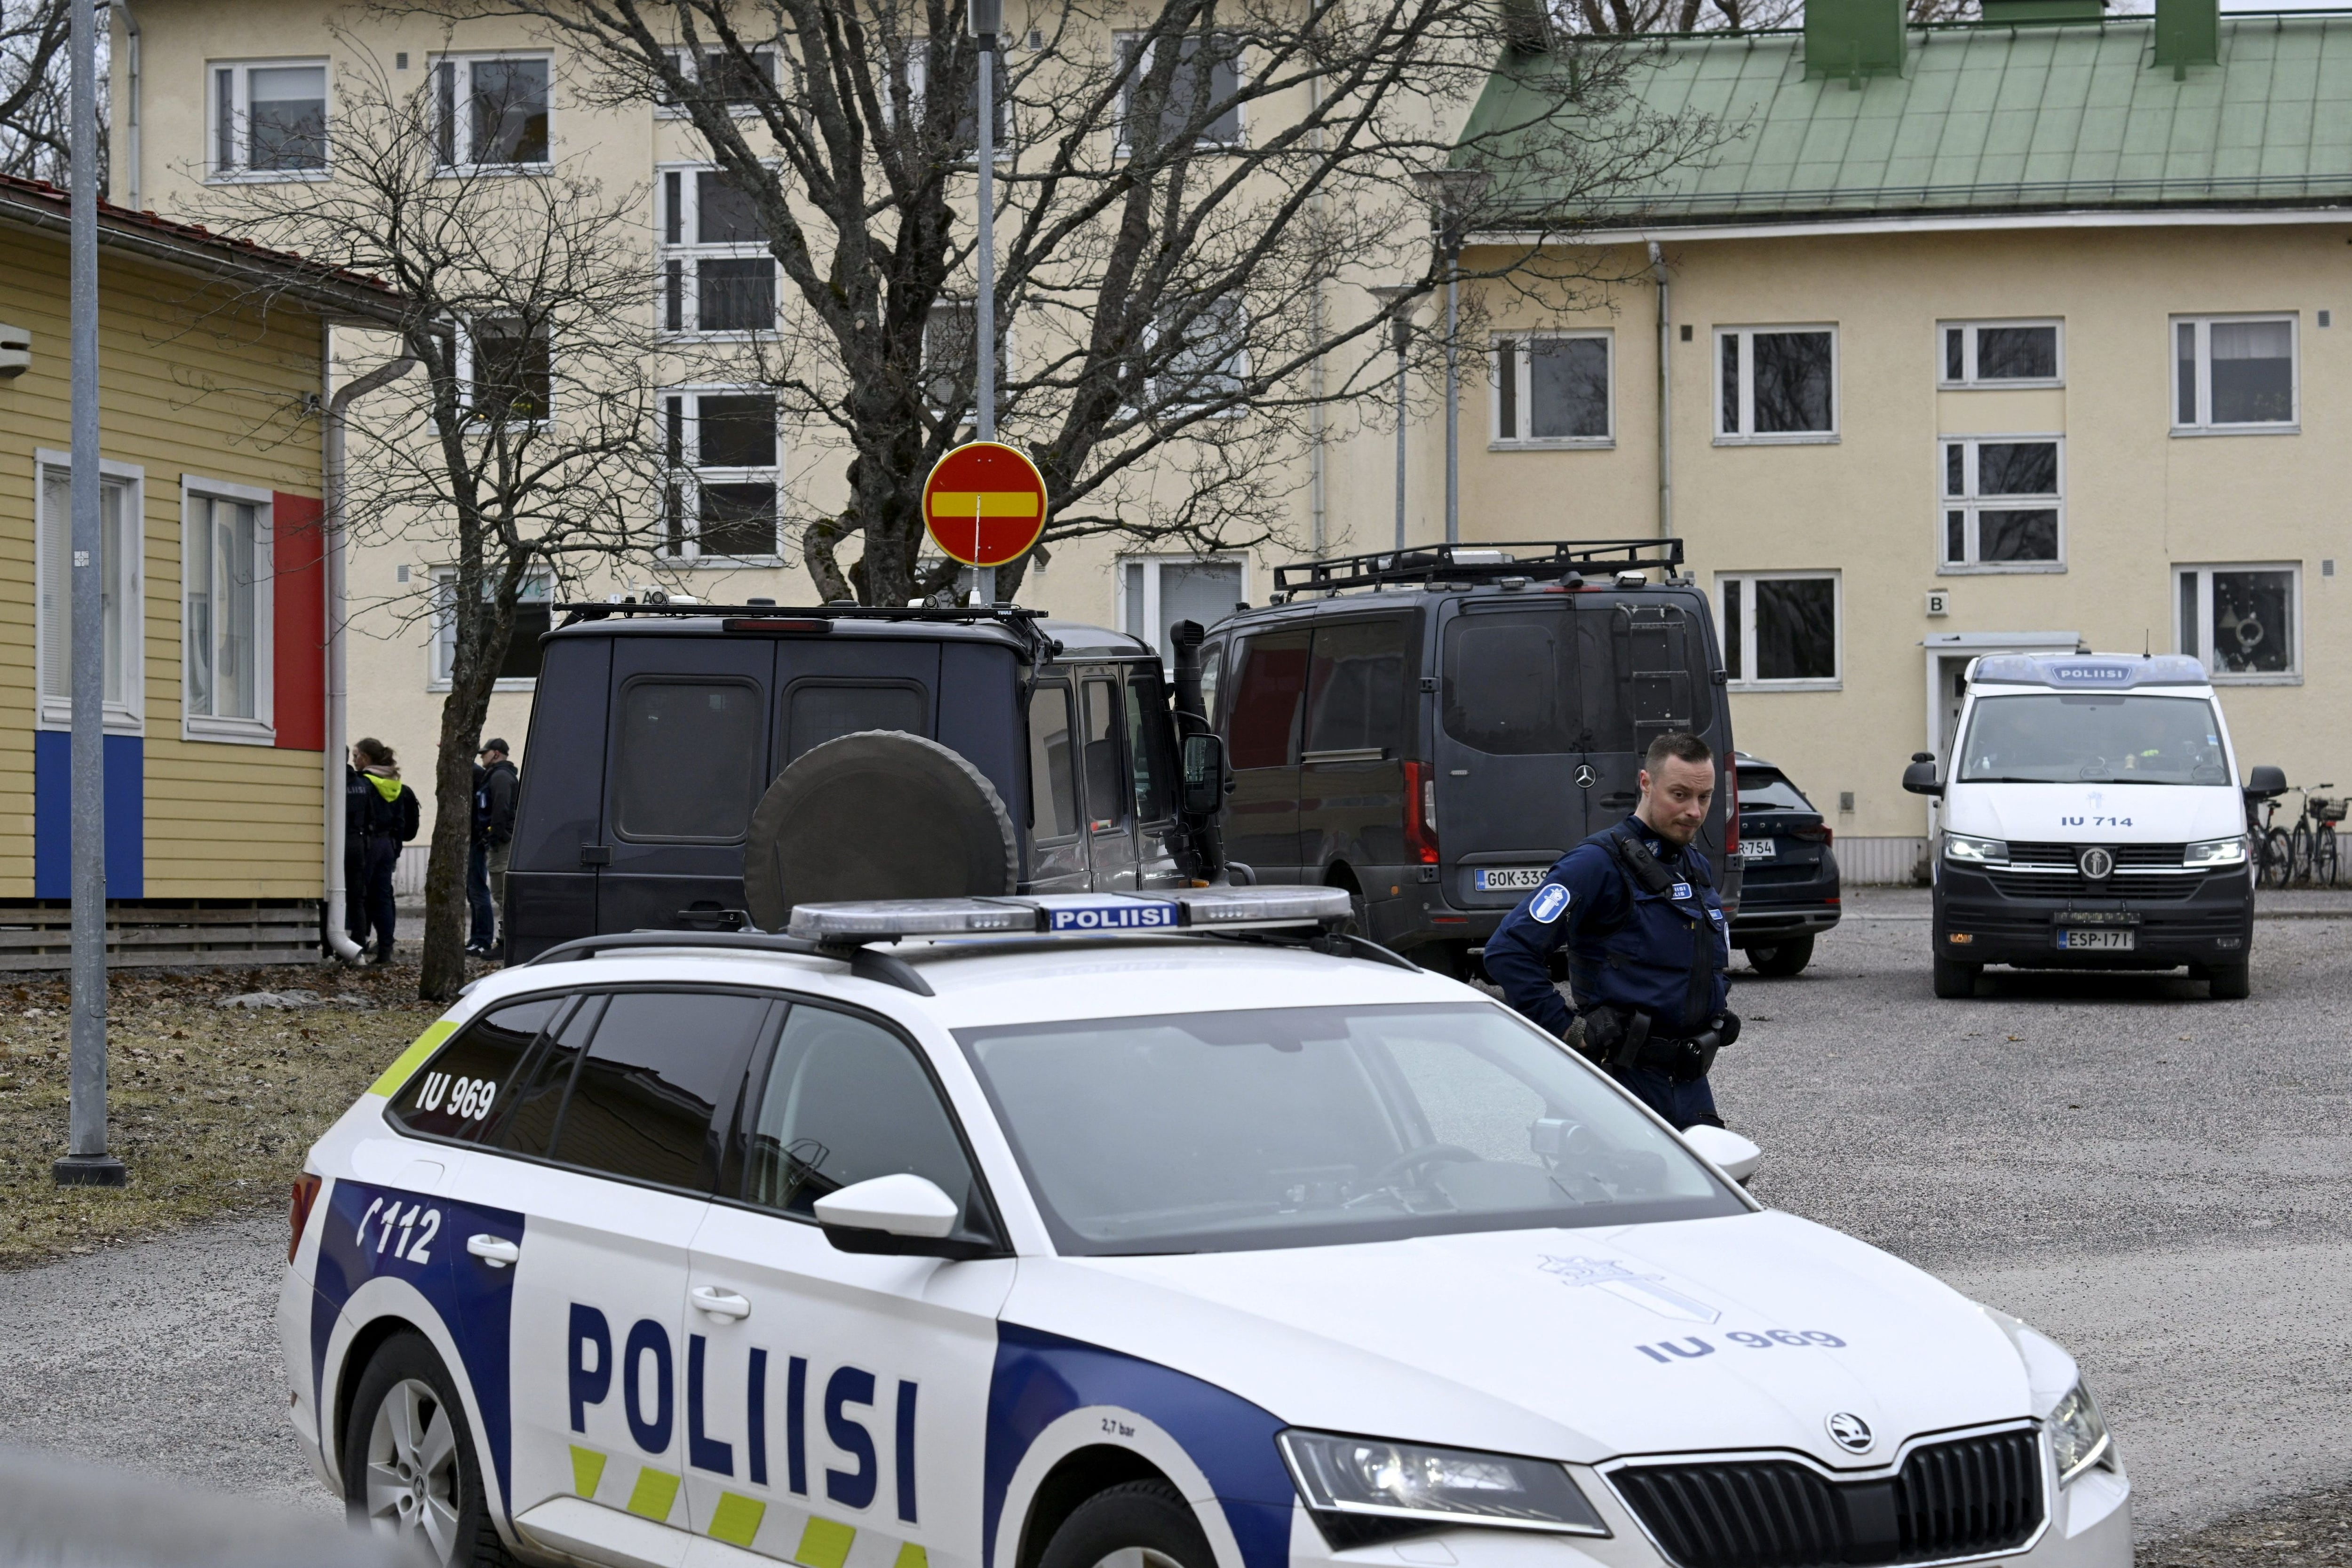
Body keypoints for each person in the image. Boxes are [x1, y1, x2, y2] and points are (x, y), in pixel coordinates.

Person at [1482, 731, 1739, 1130]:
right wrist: (1568, 1029)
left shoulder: (1693, 866)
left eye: (1704, 797)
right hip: (1619, 1081)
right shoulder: (1595, 864)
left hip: (1688, 1081)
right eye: (1680, 795)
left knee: (1716, 1188)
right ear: (1646, 783)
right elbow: (1508, 951)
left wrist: (1716, 1006)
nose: (1694, 811)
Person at [346, 737, 420, 965]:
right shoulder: (397, 786)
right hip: (388, 846)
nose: (354, 760)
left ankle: (357, 947)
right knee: (384, 897)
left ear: (366, 759)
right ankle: (386, 949)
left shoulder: (362, 784)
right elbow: (403, 823)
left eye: (356, 755)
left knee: (359, 896)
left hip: (367, 845)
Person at [467, 739, 519, 956]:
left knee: (503, 896)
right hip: (499, 842)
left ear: (496, 754)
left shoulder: (500, 777)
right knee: (501, 895)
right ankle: (505, 943)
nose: (482, 758)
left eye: (484, 754)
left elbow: (501, 810)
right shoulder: (498, 775)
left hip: (501, 845)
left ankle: (505, 945)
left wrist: (494, 837)